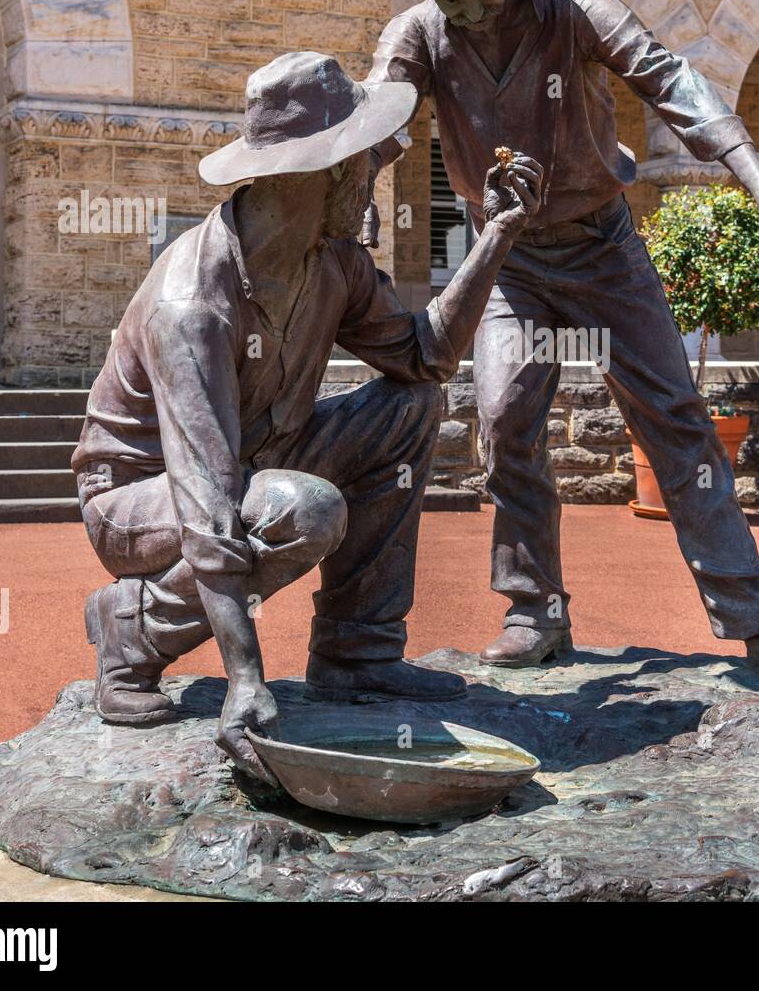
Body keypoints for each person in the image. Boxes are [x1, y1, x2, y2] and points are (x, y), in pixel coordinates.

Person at [364, 0, 759, 679]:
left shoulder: (577, 11)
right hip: (506, 259)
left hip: (602, 249)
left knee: (676, 421)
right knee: (506, 415)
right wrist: (359, 202)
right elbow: (378, 117)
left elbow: (677, 85)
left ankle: (754, 614)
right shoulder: (417, 32)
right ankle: (534, 607)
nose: (466, 4)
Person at [72, 51, 540, 781]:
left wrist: (497, 235)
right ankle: (131, 631)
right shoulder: (192, 304)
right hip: (139, 495)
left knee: (410, 406)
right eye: (365, 166)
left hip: (259, 457)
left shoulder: (334, 262)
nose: (374, 187)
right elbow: (206, 499)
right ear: (316, 174)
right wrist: (245, 680)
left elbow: (425, 357)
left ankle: (358, 653)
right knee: (305, 511)